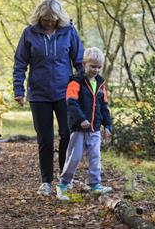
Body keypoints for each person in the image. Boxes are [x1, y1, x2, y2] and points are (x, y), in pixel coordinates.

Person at [13, 0, 85, 196]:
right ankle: (46, 181)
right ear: (39, 17)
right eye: (45, 19)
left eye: (52, 19)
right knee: (44, 138)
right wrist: (18, 90)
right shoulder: (29, 33)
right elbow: (20, 63)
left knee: (66, 134)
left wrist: (83, 88)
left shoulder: (69, 32)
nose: (49, 22)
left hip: (65, 92)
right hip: (38, 94)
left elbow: (80, 61)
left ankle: (65, 178)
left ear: (59, 18)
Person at [56, 47, 112, 202]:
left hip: (95, 127)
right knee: (74, 157)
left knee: (95, 156)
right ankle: (62, 185)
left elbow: (104, 106)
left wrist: (107, 126)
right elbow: (71, 102)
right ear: (84, 64)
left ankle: (96, 185)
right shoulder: (76, 81)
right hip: (79, 127)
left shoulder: (101, 83)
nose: (96, 70)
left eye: (99, 67)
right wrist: (81, 119)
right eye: (92, 66)